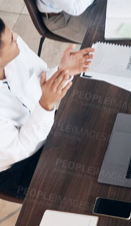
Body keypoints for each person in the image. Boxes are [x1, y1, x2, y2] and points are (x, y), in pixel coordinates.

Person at [0, 18, 94, 199]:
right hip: (20, 165)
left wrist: (62, 70)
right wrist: (45, 106)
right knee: (83, 186)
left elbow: (41, 78)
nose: (17, 37)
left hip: (45, 123)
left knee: (99, 133)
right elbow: (19, 149)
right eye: (11, 39)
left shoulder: (16, 49)